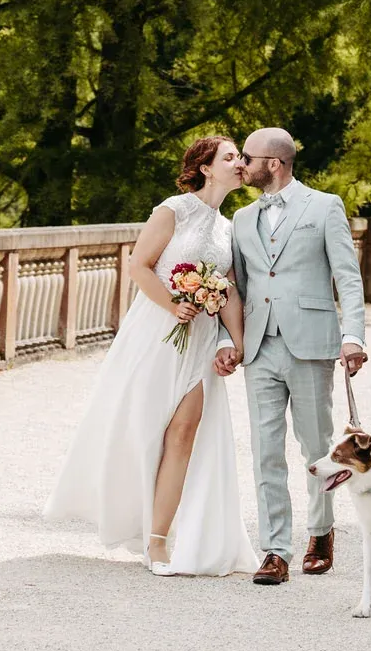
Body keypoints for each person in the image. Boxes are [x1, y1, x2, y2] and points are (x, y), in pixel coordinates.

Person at [43, 136, 257, 577]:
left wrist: (236, 344)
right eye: (231, 157)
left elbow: (230, 288)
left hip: (198, 337)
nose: (240, 163)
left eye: (241, 157)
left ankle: (159, 539)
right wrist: (174, 304)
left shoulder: (228, 228)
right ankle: (126, 514)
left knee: (183, 433)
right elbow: (139, 264)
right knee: (142, 430)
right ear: (205, 167)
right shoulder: (172, 210)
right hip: (157, 330)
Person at [215, 126, 367, 585]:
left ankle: (320, 533)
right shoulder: (242, 220)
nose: (242, 164)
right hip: (259, 346)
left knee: (317, 446)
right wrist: (230, 342)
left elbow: (348, 276)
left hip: (312, 343)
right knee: (265, 451)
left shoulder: (324, 206)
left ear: (274, 164)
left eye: (249, 157)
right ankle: (275, 550)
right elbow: (235, 288)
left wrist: (354, 335)